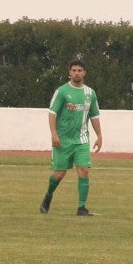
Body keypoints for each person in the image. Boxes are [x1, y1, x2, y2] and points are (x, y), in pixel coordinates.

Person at [41, 58, 103, 216]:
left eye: (79, 70)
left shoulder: (90, 93)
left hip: (81, 140)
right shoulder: (62, 91)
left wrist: (99, 135)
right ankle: (48, 195)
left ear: (84, 73)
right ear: (69, 72)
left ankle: (82, 208)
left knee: (83, 170)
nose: (76, 73)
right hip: (63, 140)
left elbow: (94, 116)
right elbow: (52, 113)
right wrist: (54, 134)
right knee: (59, 174)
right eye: (74, 70)